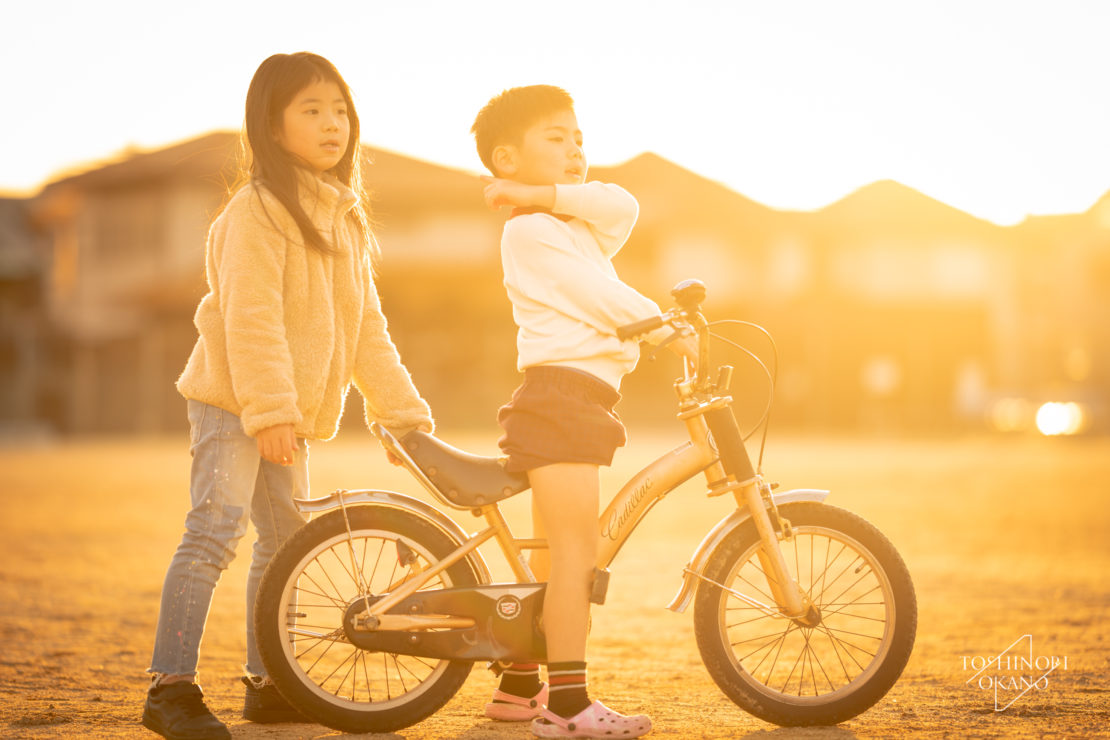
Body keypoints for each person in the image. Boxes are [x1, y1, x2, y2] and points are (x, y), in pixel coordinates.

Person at [142, 52, 434, 740]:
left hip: (284, 413)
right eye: (311, 109)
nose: (332, 123)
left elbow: (366, 329)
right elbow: (252, 319)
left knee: (284, 545)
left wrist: (405, 417)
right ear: (272, 127)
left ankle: (268, 682)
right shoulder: (257, 211)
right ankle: (169, 687)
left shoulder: (344, 218)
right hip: (232, 400)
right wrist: (267, 413)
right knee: (213, 531)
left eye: (340, 109)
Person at [471, 85, 693, 739]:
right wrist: (662, 326)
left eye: (578, 139)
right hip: (560, 401)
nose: (574, 151)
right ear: (506, 159)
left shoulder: (570, 223)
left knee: (551, 560)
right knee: (575, 553)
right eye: (554, 138)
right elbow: (596, 296)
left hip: (576, 401)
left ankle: (517, 690)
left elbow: (623, 204)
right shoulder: (529, 234)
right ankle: (566, 707)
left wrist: (542, 190)